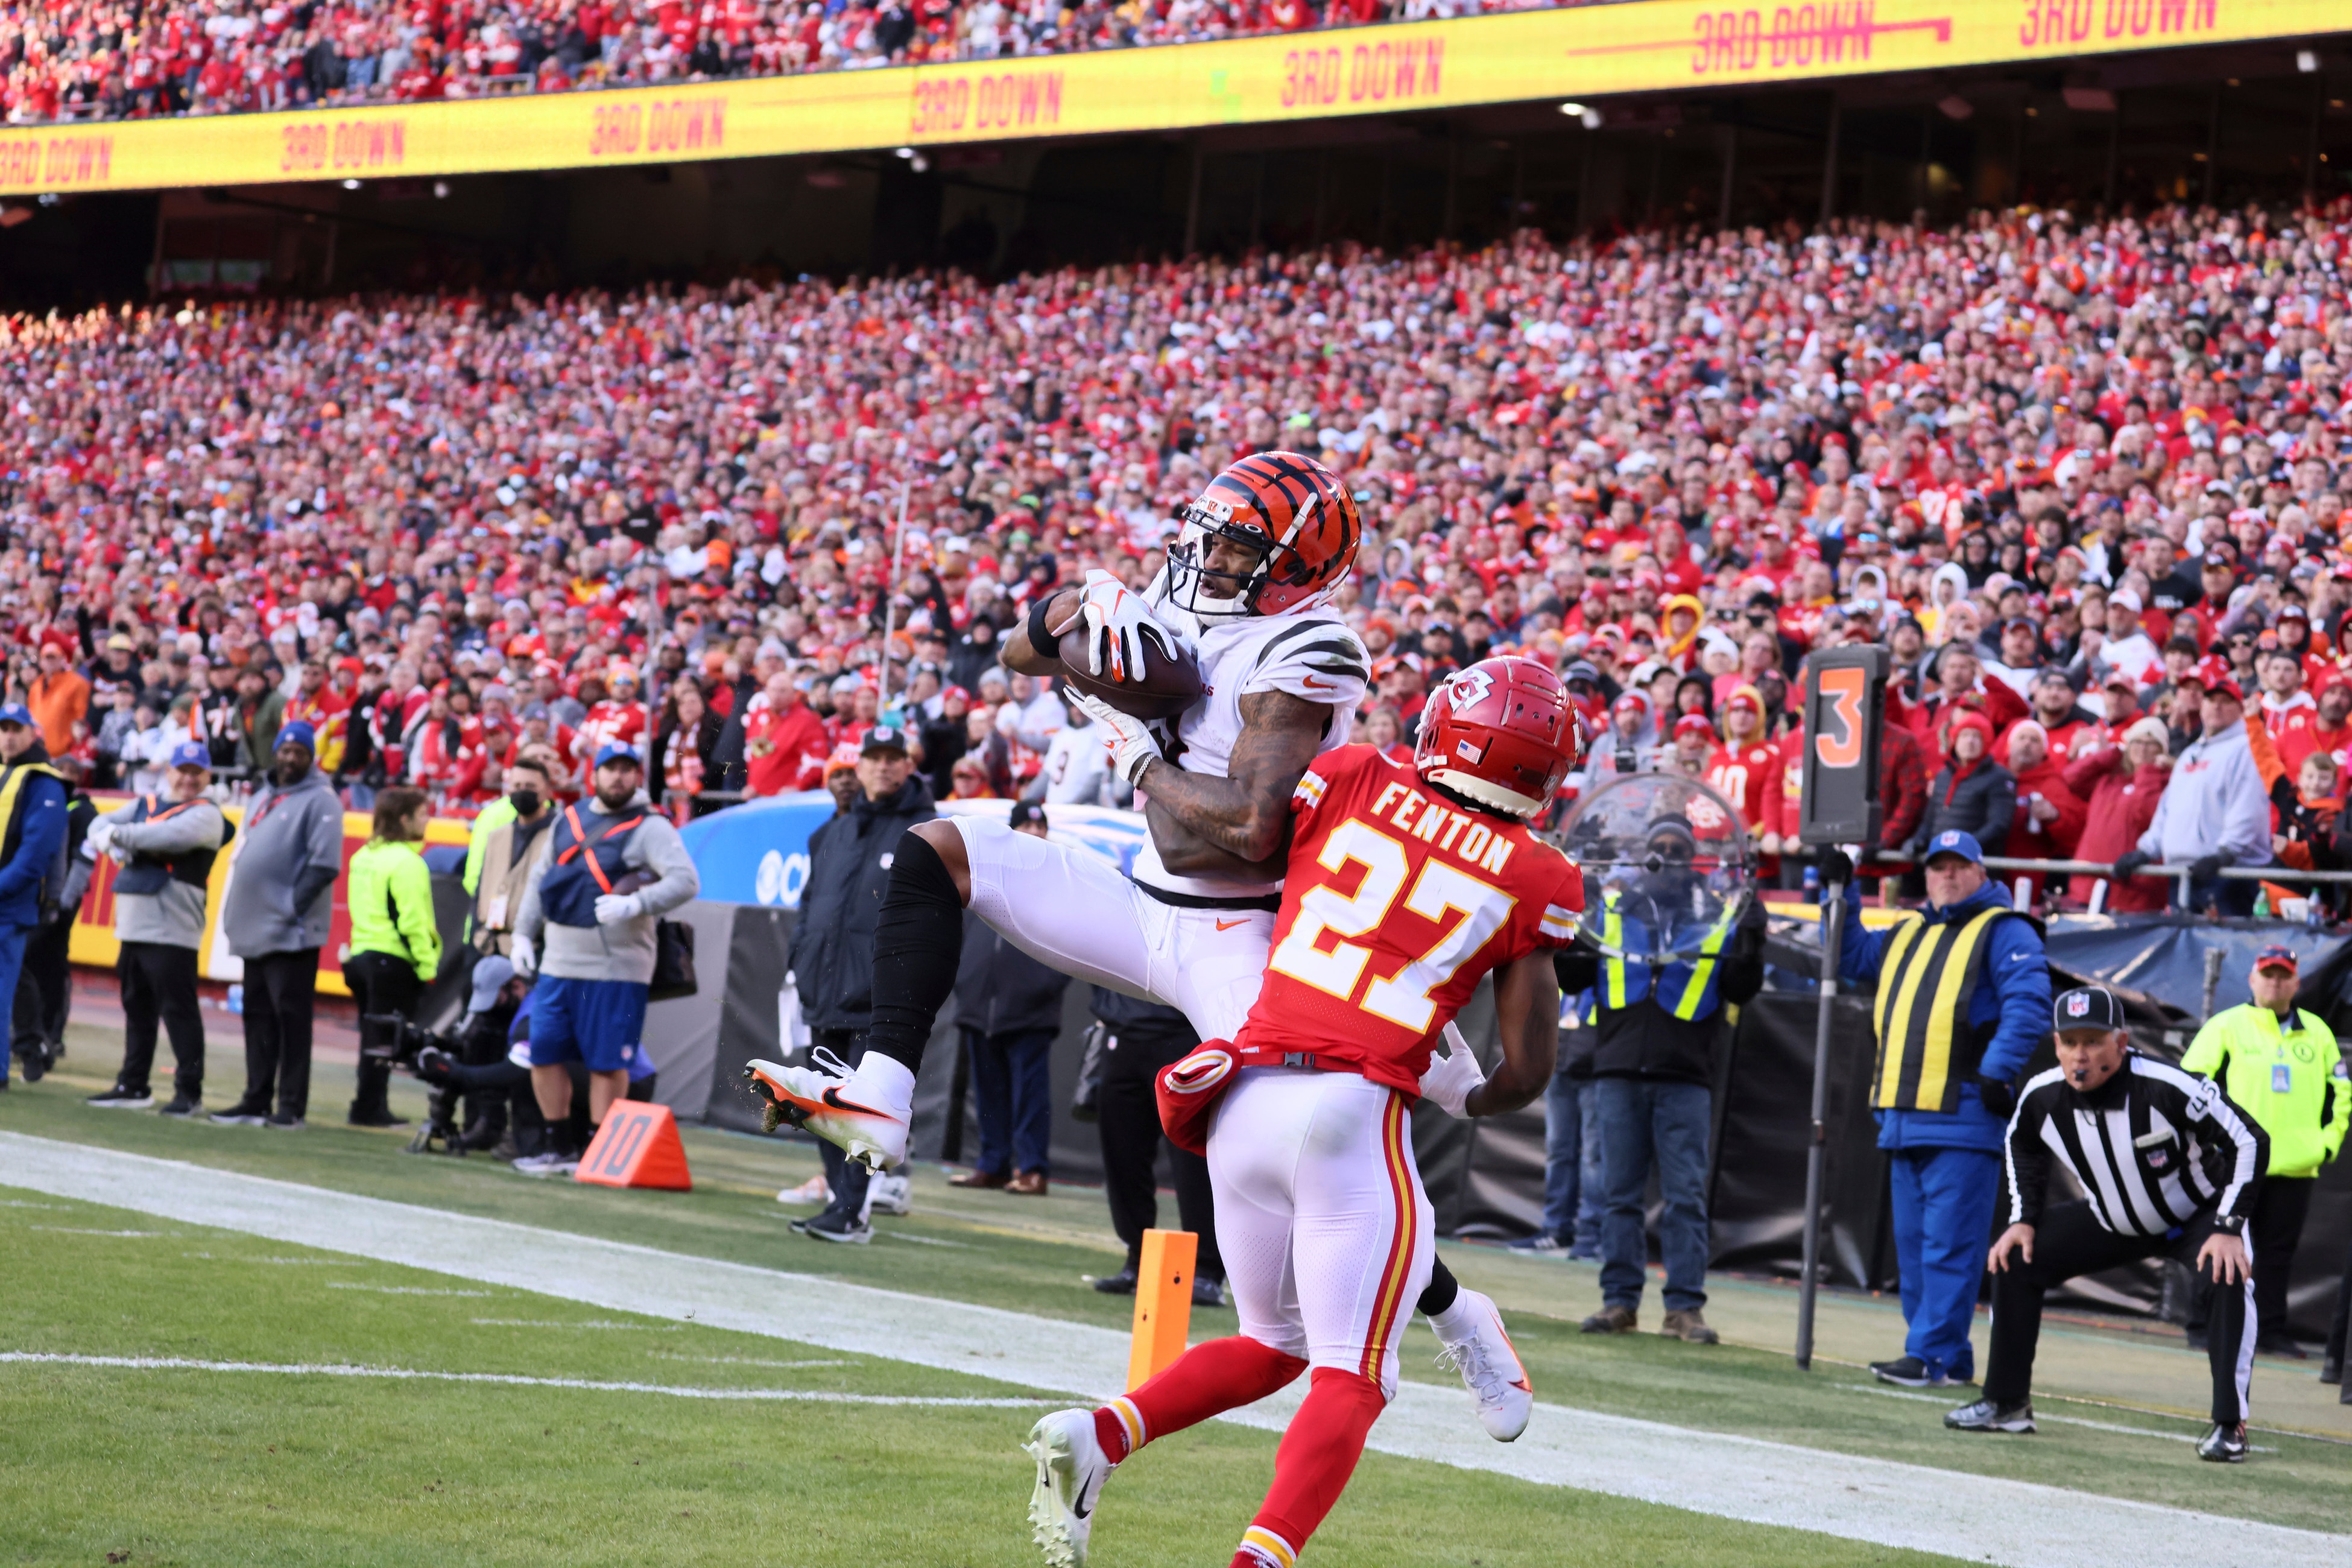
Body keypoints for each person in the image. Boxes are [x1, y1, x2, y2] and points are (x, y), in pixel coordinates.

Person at [1018, 656, 1584, 1568]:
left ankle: (1099, 1437)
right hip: (1352, 1110)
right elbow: (1528, 1070)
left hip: (1244, 1091)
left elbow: (1240, 842)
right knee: (1353, 1377)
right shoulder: (1539, 875)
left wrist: (1147, 767)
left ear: (1445, 725)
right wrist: (1468, 1092)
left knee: (1271, 1342)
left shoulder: (1355, 771)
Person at [1946, 984, 2267, 1463]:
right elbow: (2022, 1144)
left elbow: (2250, 1140)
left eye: (2093, 1041)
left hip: (2195, 1216)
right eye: (2069, 1042)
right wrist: (2023, 1219)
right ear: (2055, 1045)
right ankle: (2007, 1403)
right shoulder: (2043, 1095)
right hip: (2112, 1219)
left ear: (2121, 1041)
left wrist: (2227, 1226)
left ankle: (2230, 1424)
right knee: (2015, 1257)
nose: (2080, 1055)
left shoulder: (2167, 1085)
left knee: (2228, 1273)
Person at [1830, 828, 2049, 1388]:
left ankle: (1928, 1355)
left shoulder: (2005, 930)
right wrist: (1844, 889)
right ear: (1924, 876)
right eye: (1937, 867)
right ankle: (1944, 1358)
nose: (1947, 876)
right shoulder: (1907, 931)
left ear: (1981, 873)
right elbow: (1850, 955)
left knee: (1948, 1248)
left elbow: (2030, 1006)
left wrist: (1996, 1074)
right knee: (1917, 1250)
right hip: (1902, 1115)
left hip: (1964, 1115)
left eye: (1959, 866)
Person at [1558, 812, 1765, 1343]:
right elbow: (1569, 972)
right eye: (1660, 847)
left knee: (1685, 1197)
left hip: (1685, 1076)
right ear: (1645, 853)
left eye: (1678, 848)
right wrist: (1572, 904)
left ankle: (1684, 1309)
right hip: (1618, 1070)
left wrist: (1754, 928)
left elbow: (1742, 986)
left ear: (1693, 857)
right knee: (1619, 1194)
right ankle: (1620, 1301)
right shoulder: (1609, 910)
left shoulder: (1720, 915)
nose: (1668, 856)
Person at [767, 724, 933, 1238]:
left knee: (863, 1110)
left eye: (893, 758)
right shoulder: (831, 833)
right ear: (858, 767)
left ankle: (855, 1211)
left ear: (908, 765)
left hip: (880, 998)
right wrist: (800, 968)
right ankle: (842, 1202)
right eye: (873, 758)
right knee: (820, 1104)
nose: (882, 766)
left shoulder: (927, 829)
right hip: (825, 991)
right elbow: (810, 907)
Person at [510, 742, 701, 1176]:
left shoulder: (651, 826)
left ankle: (600, 1150)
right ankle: (556, 1145)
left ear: (638, 775)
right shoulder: (569, 817)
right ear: (594, 774)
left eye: (627, 770)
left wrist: (638, 903)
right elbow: (542, 880)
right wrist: (522, 934)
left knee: (607, 1063)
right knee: (543, 1054)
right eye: (610, 769)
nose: (618, 777)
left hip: (615, 966)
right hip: (558, 961)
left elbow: (687, 881)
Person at [2178, 947, 2347, 1355]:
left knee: (2276, 1254)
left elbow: (2341, 1093)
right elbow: (2192, 1084)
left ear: (2296, 982)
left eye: (2283, 975)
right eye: (2267, 974)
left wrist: (2326, 1145)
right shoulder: (2226, 1026)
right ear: (2252, 980)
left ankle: (2269, 1331)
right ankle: (2203, 1324)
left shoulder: (2318, 1033)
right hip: (2235, 1162)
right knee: (2219, 1240)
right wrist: (2210, 1145)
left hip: (2295, 1163)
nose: (2275, 982)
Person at [81, 741, 229, 1114]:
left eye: (197, 773)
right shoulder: (147, 803)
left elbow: (165, 837)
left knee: (178, 1010)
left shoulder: (207, 815)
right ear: (169, 772)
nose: (188, 779)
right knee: (137, 1007)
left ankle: (188, 1092)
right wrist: (112, 836)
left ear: (208, 777)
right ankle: (133, 1084)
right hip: (133, 923)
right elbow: (99, 822)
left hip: (172, 926)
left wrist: (116, 839)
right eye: (182, 771)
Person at [213, 722, 347, 1130]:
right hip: (254, 926)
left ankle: (291, 1106)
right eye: (285, 751)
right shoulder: (262, 795)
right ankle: (256, 1098)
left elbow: (324, 865)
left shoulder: (321, 801)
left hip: (291, 930)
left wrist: (290, 907)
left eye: (299, 753)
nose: (290, 759)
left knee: (290, 1019)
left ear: (311, 758)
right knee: (257, 1015)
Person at [947, 798, 1072, 1195]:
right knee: (988, 1091)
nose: (1035, 833)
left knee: (1030, 1093)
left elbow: (1072, 943)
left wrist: (1045, 987)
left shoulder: (1060, 882)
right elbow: (961, 931)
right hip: (981, 1002)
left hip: (1030, 1006)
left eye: (1041, 827)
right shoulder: (986, 874)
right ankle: (993, 1163)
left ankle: (1033, 1168)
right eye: (1027, 826)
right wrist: (965, 981)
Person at [1086, 985, 1226, 1305]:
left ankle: (1206, 1270)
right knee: (1123, 1157)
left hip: (1183, 1036)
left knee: (1193, 1163)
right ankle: (1138, 1260)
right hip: (1121, 1036)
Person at [2113, 660, 2273, 916]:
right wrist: (2146, 850)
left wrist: (2226, 854)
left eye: (2226, 701)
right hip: (2182, 873)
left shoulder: (2247, 749)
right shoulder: (2190, 754)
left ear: (2240, 709)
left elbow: (2248, 806)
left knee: (2225, 950)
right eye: (2211, 700)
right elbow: (2168, 809)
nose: (2217, 707)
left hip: (2228, 874)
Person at [344, 785, 443, 1128]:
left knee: (370, 1038)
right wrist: (427, 965)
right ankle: (370, 1107)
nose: (427, 820)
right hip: (392, 961)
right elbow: (413, 920)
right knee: (385, 1042)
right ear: (404, 819)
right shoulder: (408, 863)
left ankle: (367, 1103)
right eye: (422, 814)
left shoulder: (363, 857)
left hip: (361, 955)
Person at [11, 753, 95, 1081]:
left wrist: (60, 901)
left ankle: (45, 1039)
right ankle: (33, 1040)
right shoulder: (36, 797)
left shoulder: (80, 810)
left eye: (74, 771)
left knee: (39, 968)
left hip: (49, 902)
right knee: (26, 968)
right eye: (64, 770)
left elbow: (76, 859)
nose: (68, 776)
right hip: (36, 899)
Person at [0, 703, 69, 1094]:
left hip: (11, 906)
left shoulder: (44, 782)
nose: (9, 735)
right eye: (3, 728)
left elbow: (34, 857)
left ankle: (24, 1052)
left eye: (16, 728)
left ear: (33, 733)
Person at [468, 754, 559, 961]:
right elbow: (480, 891)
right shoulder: (498, 836)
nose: (522, 791)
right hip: (489, 945)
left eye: (530, 786)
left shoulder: (559, 835)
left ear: (547, 791)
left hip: (536, 948)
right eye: (516, 786)